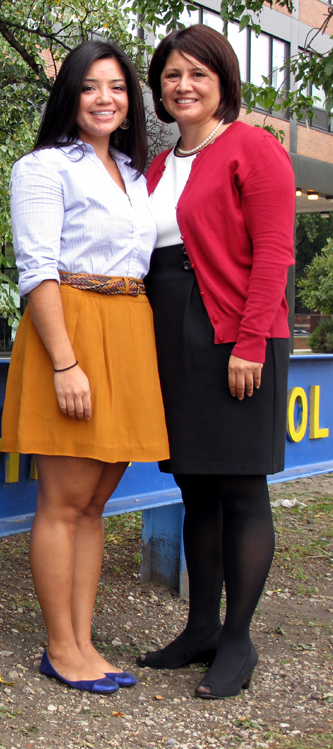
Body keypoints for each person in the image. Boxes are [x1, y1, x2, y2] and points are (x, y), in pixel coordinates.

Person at [2, 40, 170, 694]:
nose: (106, 98)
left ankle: (83, 638)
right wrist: (65, 363)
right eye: (91, 87)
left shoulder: (134, 173)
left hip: (128, 327)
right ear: (70, 96)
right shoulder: (43, 167)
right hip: (71, 329)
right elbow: (38, 268)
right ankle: (59, 647)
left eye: (118, 87)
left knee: (96, 504)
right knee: (64, 500)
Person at [138, 25, 295, 700]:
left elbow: (274, 254)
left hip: (235, 330)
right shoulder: (156, 166)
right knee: (194, 486)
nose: (184, 86)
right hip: (172, 333)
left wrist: (252, 340)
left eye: (198, 74)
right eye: (172, 75)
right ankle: (200, 626)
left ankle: (238, 637)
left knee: (240, 485)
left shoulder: (253, 149)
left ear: (223, 81)